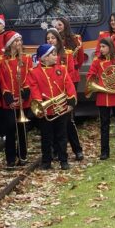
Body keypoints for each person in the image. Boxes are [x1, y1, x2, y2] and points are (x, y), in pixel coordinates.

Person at [27, 43, 77, 170]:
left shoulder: (62, 69)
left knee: (62, 135)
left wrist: (71, 102)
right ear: (44, 58)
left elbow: (69, 86)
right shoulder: (34, 72)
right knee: (46, 136)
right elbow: (34, 89)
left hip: (61, 109)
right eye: (53, 55)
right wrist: (40, 104)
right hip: (45, 110)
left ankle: (63, 160)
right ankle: (46, 161)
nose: (56, 57)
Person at [87, 37, 115, 159]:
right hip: (103, 97)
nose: (101, 49)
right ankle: (104, 151)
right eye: (100, 47)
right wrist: (100, 82)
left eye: (103, 47)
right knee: (104, 126)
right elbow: (90, 76)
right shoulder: (96, 61)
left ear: (110, 47)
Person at [44, 28, 84, 162]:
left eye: (53, 38)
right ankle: (57, 151)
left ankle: (77, 149)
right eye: (48, 38)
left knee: (69, 123)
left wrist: (68, 95)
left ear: (58, 39)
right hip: (51, 96)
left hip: (64, 94)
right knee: (54, 124)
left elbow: (71, 75)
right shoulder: (44, 55)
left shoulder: (67, 54)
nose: (50, 40)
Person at [0, 31, 30, 167]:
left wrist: (23, 96)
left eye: (20, 40)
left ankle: (23, 155)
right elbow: (2, 81)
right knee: (10, 128)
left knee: (22, 129)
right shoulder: (2, 61)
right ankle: (10, 158)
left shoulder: (26, 59)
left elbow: (28, 77)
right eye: (16, 41)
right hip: (9, 101)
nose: (19, 43)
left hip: (23, 100)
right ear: (10, 44)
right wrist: (9, 98)